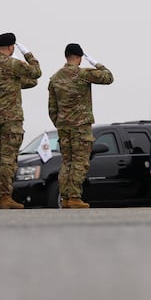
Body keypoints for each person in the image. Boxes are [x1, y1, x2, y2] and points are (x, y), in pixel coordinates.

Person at [0, 32, 41, 209]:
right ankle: (5, 196)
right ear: (11, 47)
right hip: (10, 119)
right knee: (8, 159)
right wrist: (28, 54)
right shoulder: (13, 63)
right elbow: (36, 72)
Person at [47, 43, 113, 208]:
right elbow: (108, 77)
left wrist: (60, 123)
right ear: (79, 57)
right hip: (81, 126)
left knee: (66, 162)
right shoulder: (83, 73)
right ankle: (74, 197)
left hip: (63, 127)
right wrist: (96, 63)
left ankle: (65, 198)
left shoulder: (55, 78)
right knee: (80, 162)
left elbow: (52, 108)